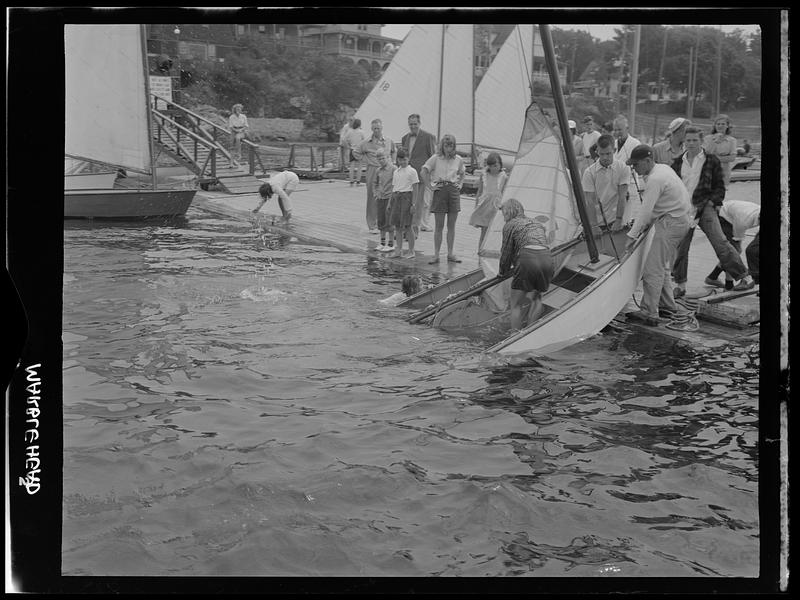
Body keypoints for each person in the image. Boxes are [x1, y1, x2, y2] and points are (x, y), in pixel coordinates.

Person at [670, 126, 755, 296]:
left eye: (695, 140)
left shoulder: (711, 160)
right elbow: (672, 187)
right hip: (684, 210)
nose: (691, 143)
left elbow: (719, 185)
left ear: (701, 141)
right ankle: (681, 285)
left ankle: (744, 277)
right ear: (684, 141)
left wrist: (714, 202)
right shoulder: (678, 162)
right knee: (681, 248)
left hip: (705, 206)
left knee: (721, 242)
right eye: (688, 140)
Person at [624, 144, 692, 326]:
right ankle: (667, 306)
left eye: (636, 165)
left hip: (672, 222)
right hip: (678, 220)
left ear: (647, 161)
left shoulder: (655, 179)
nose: (634, 169)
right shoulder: (663, 168)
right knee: (661, 266)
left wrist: (631, 236)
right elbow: (655, 208)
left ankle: (649, 311)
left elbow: (645, 212)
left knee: (652, 269)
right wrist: (642, 226)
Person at [498, 198, 554, 331]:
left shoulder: (510, 225)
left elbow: (506, 253)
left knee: (515, 304)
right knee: (537, 298)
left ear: (508, 212)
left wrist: (502, 272)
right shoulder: (536, 223)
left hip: (527, 259)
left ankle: (515, 336)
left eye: (503, 214)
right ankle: (529, 332)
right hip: (546, 258)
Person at [420, 134, 466, 264]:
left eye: (451, 145)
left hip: (453, 190)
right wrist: (430, 186)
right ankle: (436, 254)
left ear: (454, 146)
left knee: (451, 226)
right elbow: (423, 171)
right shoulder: (436, 158)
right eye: (446, 145)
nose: (448, 148)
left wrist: (460, 184)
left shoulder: (458, 159)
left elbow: (462, 173)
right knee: (439, 226)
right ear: (442, 145)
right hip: (440, 190)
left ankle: (451, 253)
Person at [706, 199, 760, 289]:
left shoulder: (758, 211)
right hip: (723, 216)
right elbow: (737, 237)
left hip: (734, 213)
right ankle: (729, 285)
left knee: (733, 252)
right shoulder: (744, 221)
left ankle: (713, 277)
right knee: (733, 251)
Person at [353, 118, 396, 232]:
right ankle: (372, 224)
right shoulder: (366, 142)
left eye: (378, 128)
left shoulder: (388, 140)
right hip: (373, 169)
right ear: (372, 129)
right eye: (374, 128)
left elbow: (394, 150)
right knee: (372, 196)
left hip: (387, 170)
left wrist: (393, 162)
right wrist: (366, 160)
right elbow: (355, 152)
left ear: (382, 128)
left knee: (388, 194)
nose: (376, 130)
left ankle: (387, 223)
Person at [580, 134, 628, 235]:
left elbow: (622, 196)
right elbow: (589, 201)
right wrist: (594, 225)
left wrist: (619, 220)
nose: (605, 157)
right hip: (596, 221)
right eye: (601, 154)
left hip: (615, 220)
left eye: (608, 153)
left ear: (614, 150)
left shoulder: (623, 168)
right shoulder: (589, 172)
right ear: (597, 151)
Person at [401, 114, 437, 235]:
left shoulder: (428, 137)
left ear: (419, 123)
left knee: (418, 204)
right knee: (406, 204)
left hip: (421, 176)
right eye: (410, 124)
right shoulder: (404, 138)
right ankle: (406, 229)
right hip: (406, 176)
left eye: (415, 124)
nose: (413, 126)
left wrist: (430, 176)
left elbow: (433, 157)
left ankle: (414, 231)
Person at [469, 152, 508, 253]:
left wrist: (504, 206)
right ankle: (480, 250)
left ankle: (496, 250)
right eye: (491, 166)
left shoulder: (503, 176)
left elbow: (505, 192)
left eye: (496, 165)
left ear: (500, 165)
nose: (494, 168)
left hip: (496, 206)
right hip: (485, 205)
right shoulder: (484, 175)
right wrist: (476, 204)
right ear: (488, 166)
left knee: (497, 231)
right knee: (484, 230)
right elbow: (480, 191)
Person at [387, 148, 419, 258]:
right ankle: (399, 249)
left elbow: (415, 188)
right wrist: (390, 202)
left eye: (405, 159)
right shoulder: (396, 171)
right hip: (397, 197)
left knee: (408, 226)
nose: (403, 162)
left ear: (408, 159)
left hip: (407, 198)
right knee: (398, 226)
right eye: (400, 160)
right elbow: (393, 187)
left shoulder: (412, 171)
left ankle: (411, 250)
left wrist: (414, 204)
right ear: (397, 160)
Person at [612, 115, 644, 225]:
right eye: (615, 129)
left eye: (620, 129)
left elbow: (640, 165)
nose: (617, 132)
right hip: (614, 184)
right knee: (615, 216)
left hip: (630, 184)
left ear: (627, 128)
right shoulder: (613, 144)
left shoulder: (635, 144)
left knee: (626, 217)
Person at [704, 114, 738, 189]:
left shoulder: (732, 140)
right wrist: (715, 141)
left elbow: (732, 158)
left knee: (721, 193)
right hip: (709, 170)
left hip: (724, 172)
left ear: (727, 126)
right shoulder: (707, 138)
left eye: (723, 124)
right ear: (715, 125)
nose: (720, 126)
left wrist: (713, 158)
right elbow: (705, 154)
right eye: (718, 124)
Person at [373, 148, 396, 252]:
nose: (381, 160)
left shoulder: (393, 169)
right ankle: (382, 242)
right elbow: (375, 183)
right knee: (381, 220)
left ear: (388, 157)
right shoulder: (378, 170)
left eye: (383, 158)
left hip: (390, 197)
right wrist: (376, 192)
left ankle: (391, 243)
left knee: (389, 220)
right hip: (381, 197)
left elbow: (396, 183)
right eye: (379, 159)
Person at [340, 118, 365, 185]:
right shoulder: (361, 132)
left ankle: (351, 180)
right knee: (360, 166)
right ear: (359, 124)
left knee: (352, 166)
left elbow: (344, 139)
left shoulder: (350, 131)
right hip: (359, 150)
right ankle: (358, 180)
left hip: (352, 149)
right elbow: (364, 141)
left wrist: (348, 146)